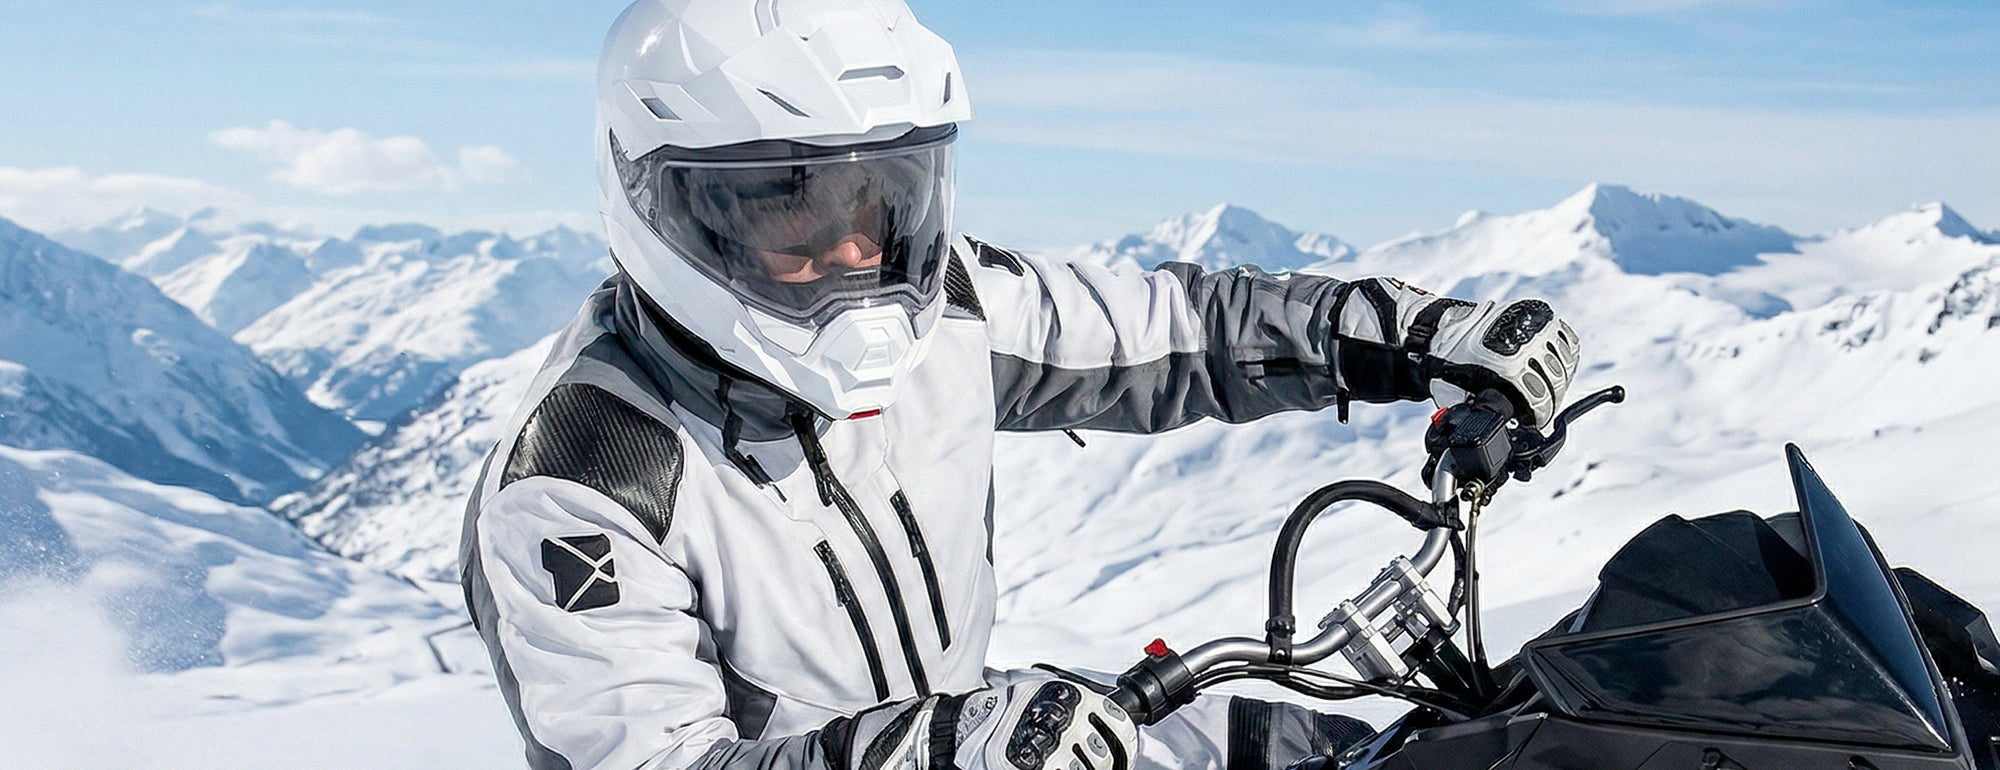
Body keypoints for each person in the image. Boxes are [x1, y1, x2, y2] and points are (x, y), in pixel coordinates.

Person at [459, 2, 1582, 770]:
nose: (853, 251)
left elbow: (1180, 333)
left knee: (1380, 748)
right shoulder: (584, 482)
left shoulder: (949, 305)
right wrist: (931, 749)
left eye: (879, 200)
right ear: (660, 205)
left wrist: (1409, 336)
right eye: (788, 210)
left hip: (996, 732)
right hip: (950, 747)